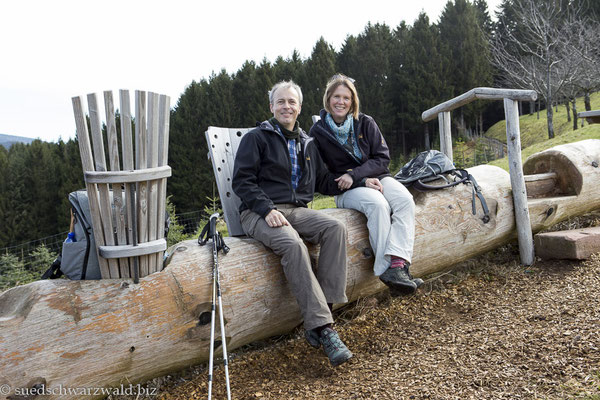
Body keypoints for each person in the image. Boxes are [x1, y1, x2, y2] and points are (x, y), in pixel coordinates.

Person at [233, 80, 364, 367]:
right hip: (258, 212)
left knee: (334, 228)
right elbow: (242, 181)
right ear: (272, 107)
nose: (286, 106)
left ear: (299, 107)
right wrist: (266, 209)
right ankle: (325, 330)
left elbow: (323, 182)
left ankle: (324, 311)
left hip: (295, 210)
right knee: (293, 244)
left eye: (291, 102)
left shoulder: (308, 143)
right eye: (280, 101)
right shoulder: (257, 138)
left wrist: (359, 179)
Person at [309, 74, 424, 295]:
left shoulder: (365, 122)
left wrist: (357, 173)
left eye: (346, 97)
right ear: (328, 99)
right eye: (336, 97)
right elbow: (322, 179)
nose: (341, 102)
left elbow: (382, 158)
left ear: (353, 101)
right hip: (346, 189)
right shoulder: (318, 133)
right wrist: (357, 179)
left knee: (404, 200)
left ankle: (399, 265)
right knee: (378, 205)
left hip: (378, 177)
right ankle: (385, 269)